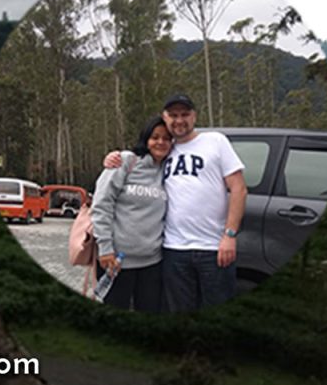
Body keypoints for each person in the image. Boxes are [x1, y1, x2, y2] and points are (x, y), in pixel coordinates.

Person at [104, 94, 248, 311]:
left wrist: (229, 235)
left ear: (194, 116)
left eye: (184, 114)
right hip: (173, 250)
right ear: (165, 117)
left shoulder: (215, 141)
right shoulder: (164, 152)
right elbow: (138, 164)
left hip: (213, 248)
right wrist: (114, 157)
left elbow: (239, 189)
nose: (179, 120)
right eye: (173, 115)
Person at [90, 116, 173, 312]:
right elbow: (102, 204)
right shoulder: (127, 161)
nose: (160, 142)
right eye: (155, 137)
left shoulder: (168, 170)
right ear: (146, 139)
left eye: (166, 138)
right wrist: (105, 247)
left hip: (152, 263)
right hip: (117, 261)